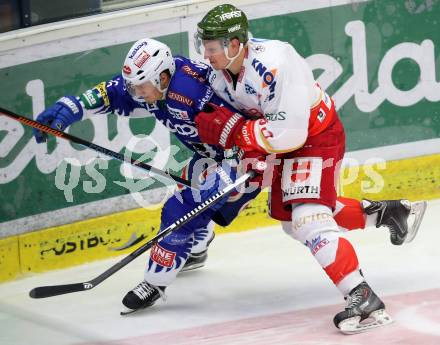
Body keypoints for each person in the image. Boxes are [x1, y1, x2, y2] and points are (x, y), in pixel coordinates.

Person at [33, 36, 424, 321]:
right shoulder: (155, 83)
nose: (138, 93)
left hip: (243, 158)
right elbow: (116, 91)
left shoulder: (197, 91)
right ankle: (384, 213)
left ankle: (158, 277)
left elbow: (247, 124)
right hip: (219, 157)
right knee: (294, 214)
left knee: (187, 209)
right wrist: (71, 108)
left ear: (165, 76)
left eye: (144, 85)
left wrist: (246, 161)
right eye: (136, 85)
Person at [193, 3, 426, 334]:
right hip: (283, 141)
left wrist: (237, 133)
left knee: (308, 219)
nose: (206, 53)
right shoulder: (220, 73)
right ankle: (385, 213)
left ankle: (362, 296)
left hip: (315, 137)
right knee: (292, 222)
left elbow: (289, 134)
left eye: (212, 47)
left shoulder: (275, 63)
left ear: (234, 44)